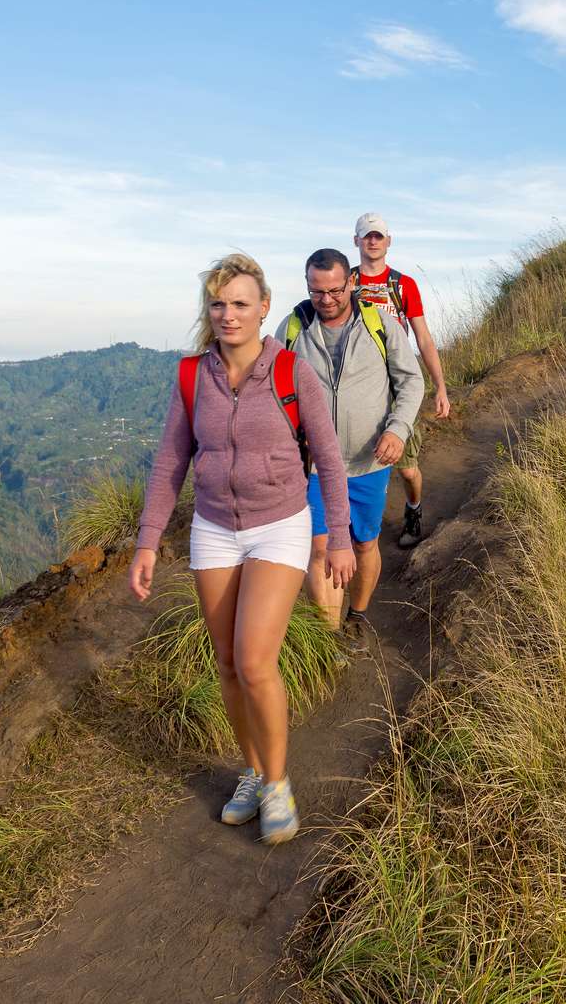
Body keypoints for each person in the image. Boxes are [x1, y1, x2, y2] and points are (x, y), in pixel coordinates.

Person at [131, 253, 356, 847]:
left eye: (240, 303)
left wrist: (335, 539)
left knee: (255, 660)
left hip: (279, 524)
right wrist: (147, 541)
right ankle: (253, 772)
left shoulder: (290, 372)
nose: (228, 314)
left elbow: (329, 460)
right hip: (212, 528)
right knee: (228, 664)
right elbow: (171, 462)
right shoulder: (191, 377)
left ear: (263, 309)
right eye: (218, 303)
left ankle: (278, 783)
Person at [284, 248, 424, 634]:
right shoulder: (294, 328)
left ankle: (357, 616)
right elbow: (273, 387)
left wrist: (398, 429)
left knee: (363, 545)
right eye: (316, 291)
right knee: (321, 547)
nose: (326, 300)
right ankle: (328, 637)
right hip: (312, 466)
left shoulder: (380, 325)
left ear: (351, 283)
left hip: (368, 461)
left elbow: (412, 381)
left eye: (334, 290)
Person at [349, 212, 449, 550]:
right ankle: (354, 526)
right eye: (367, 236)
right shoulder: (345, 283)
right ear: (356, 241)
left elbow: (423, 338)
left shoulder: (404, 285)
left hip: (395, 384)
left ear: (388, 241)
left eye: (378, 236)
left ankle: (413, 509)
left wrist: (440, 387)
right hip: (355, 384)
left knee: (407, 468)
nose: (373, 241)